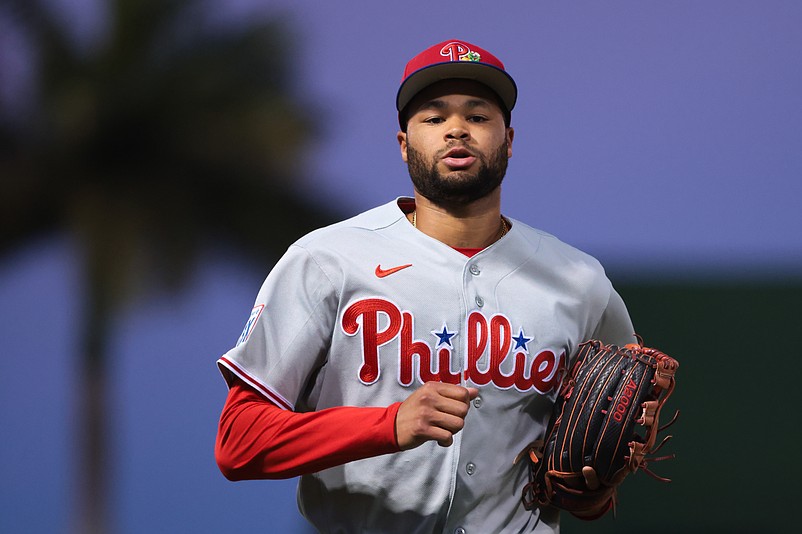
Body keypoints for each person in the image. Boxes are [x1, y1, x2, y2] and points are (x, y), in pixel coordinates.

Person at [215, 39, 636, 533]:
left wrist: (592, 492)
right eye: (434, 118)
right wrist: (388, 424)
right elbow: (239, 442)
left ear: (510, 140)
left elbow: (602, 445)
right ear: (403, 145)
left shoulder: (579, 280)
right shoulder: (327, 259)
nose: (456, 129)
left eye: (478, 117)